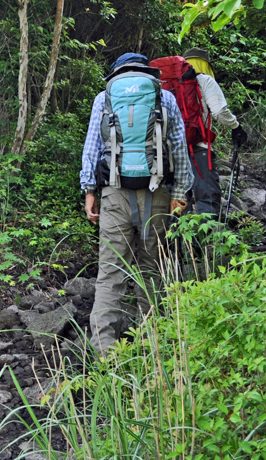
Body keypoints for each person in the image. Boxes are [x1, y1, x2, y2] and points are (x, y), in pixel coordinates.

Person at [80, 52, 194, 355]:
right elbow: (179, 148)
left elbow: (92, 148)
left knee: (110, 274)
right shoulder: (164, 97)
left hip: (114, 193)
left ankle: (105, 354)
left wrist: (89, 190)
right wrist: (179, 193)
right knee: (153, 269)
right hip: (156, 193)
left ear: (118, 73)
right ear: (148, 72)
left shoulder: (103, 97)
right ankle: (153, 347)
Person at [182, 47, 249, 219]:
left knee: (179, 199)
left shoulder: (170, 83)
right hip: (199, 147)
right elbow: (219, 111)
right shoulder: (205, 80)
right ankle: (207, 241)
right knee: (207, 196)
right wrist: (236, 127)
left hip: (171, 149)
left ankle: (182, 243)